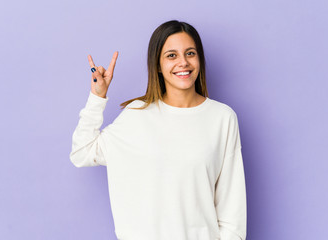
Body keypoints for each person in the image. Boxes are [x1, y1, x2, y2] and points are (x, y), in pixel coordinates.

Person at [70, 20, 247, 240]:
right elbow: (82, 152)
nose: (183, 62)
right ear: (157, 65)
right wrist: (97, 98)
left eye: (190, 53)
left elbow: (233, 210)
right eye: (171, 55)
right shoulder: (137, 115)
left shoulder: (222, 118)